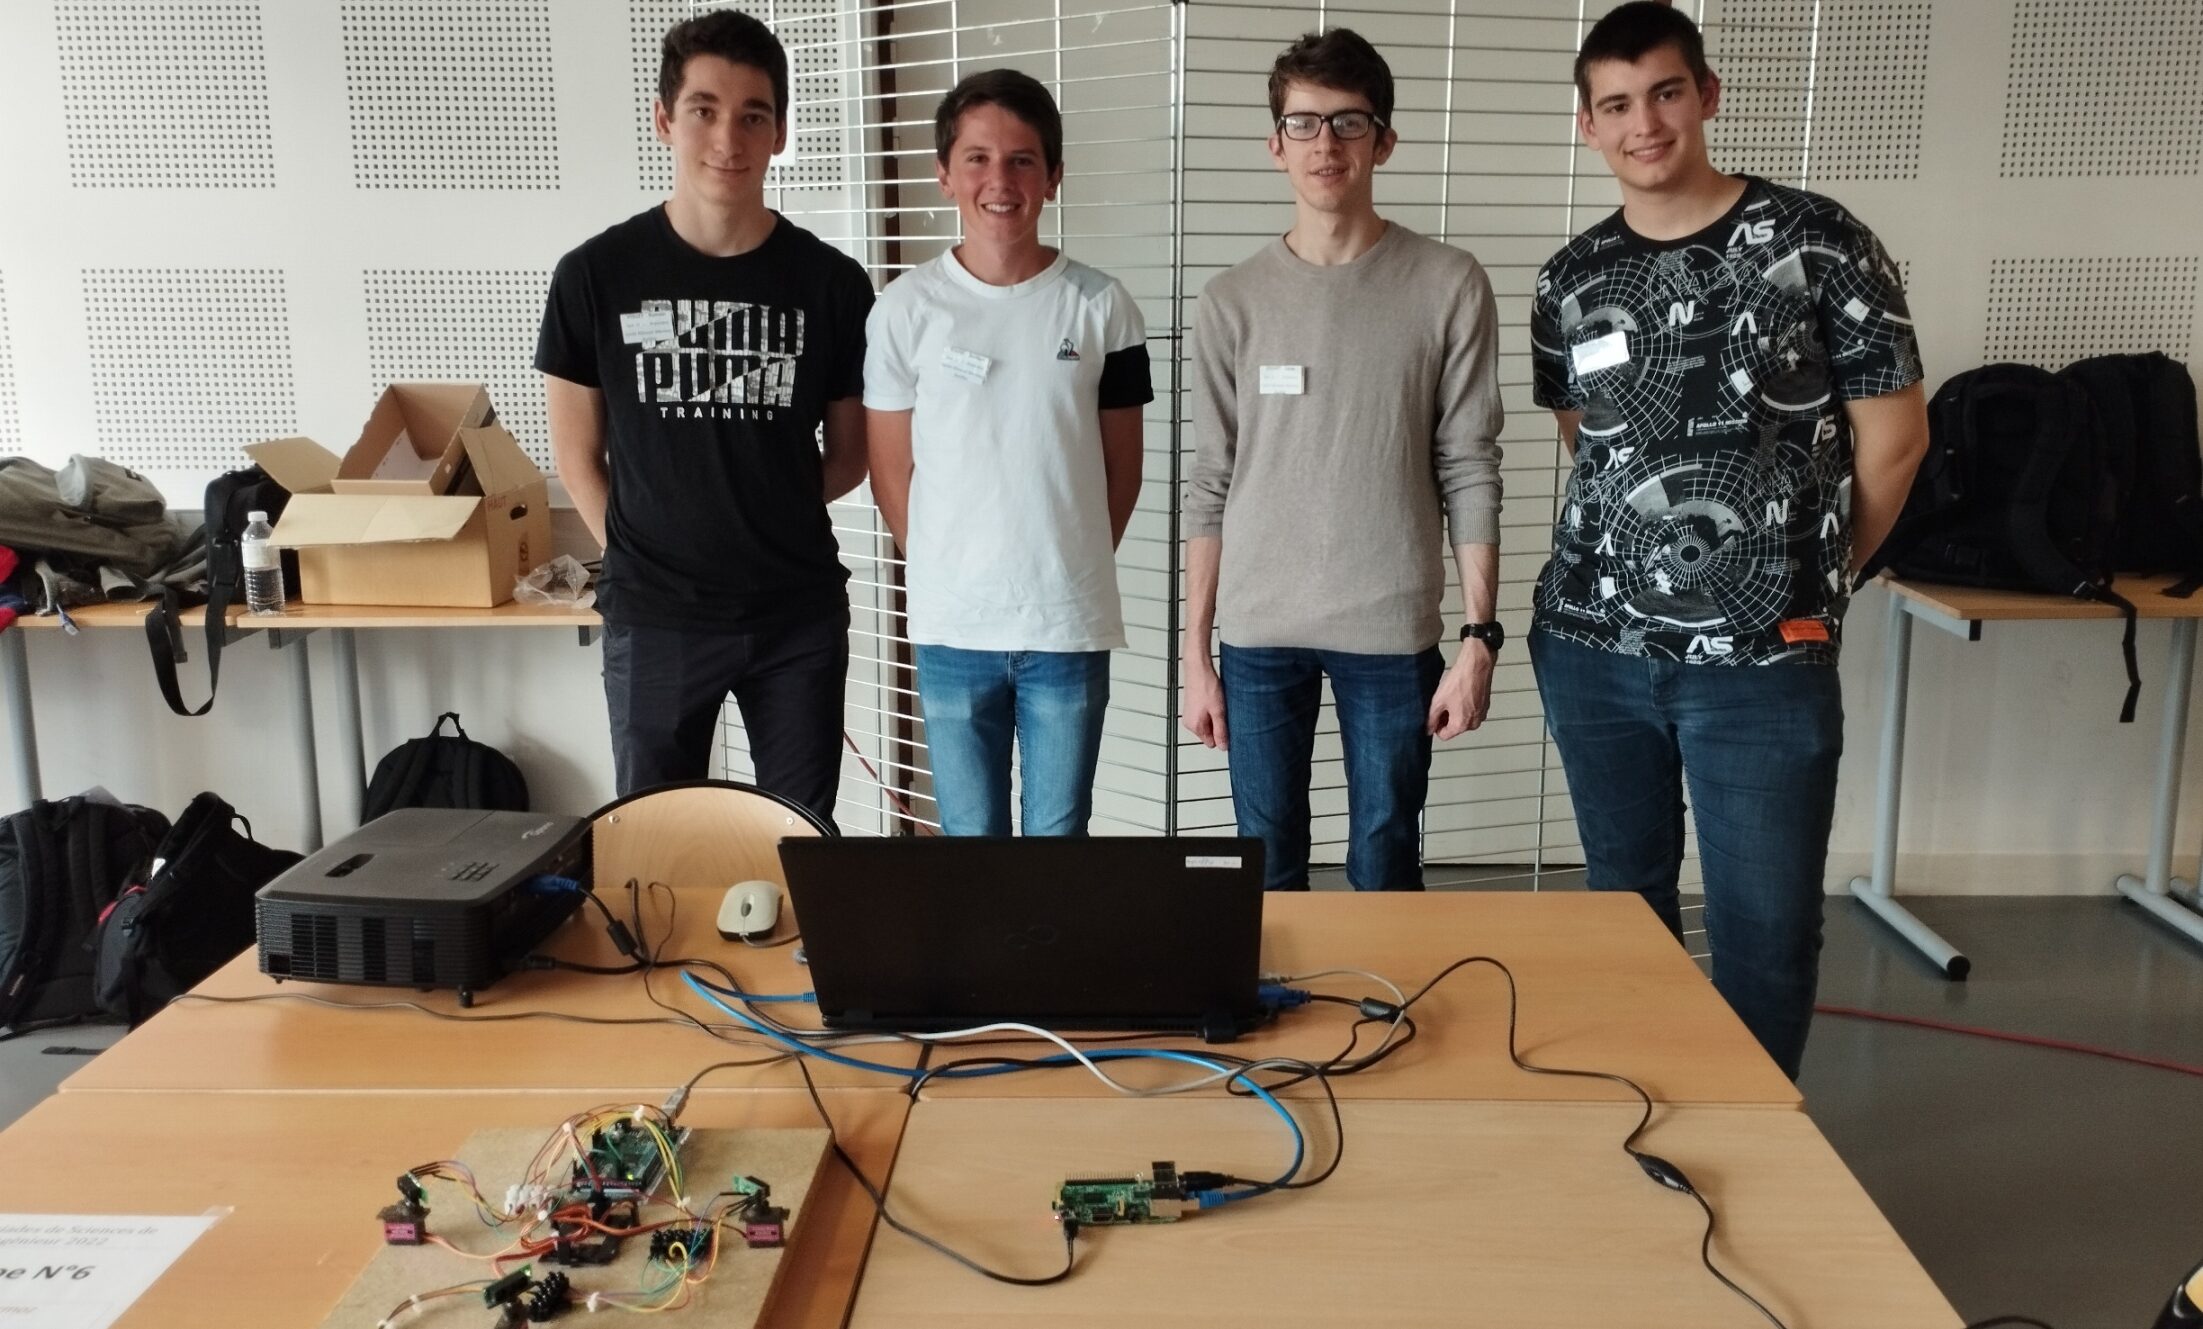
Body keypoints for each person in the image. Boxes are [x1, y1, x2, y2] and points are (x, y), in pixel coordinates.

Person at [1528, 2, 1930, 1077]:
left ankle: (1748, 1137)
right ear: (1587, 125)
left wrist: (1811, 580)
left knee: (1764, 928)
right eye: (1616, 104)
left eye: (1664, 92)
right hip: (1591, 649)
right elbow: (1591, 443)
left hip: (1764, 661)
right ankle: (1645, 1109)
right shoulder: (1569, 279)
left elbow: (1896, 443)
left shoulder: (1820, 242)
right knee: (1622, 911)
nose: (1643, 124)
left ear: (1705, 95)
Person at [1182, 29, 1505, 891]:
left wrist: (1477, 639)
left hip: (1390, 628)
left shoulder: (1447, 283)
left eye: (1348, 121)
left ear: (1383, 140)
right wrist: (1195, 656)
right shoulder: (1230, 301)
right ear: (1275, 143)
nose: (1324, 143)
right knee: (1265, 862)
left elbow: (1469, 465)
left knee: (1386, 856)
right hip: (1257, 632)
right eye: (1303, 123)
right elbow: (1210, 481)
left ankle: (1383, 984)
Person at [535, 9, 873, 826]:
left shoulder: (831, 284)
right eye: (704, 110)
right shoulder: (594, 276)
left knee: (797, 842)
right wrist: (644, 551)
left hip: (794, 615)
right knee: (655, 844)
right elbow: (577, 456)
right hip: (654, 617)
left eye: (753, 115)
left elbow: (850, 455)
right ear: (665, 120)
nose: (728, 138)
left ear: (779, 133)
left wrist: (762, 509)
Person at [865, 70, 1151, 836]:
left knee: (1058, 840)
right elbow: (890, 471)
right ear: (944, 174)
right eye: (978, 159)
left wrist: (1064, 561)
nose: (1000, 180)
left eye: (1022, 160)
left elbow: (1122, 470)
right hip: (952, 628)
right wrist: (950, 567)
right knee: (970, 846)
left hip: (1067, 625)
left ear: (1053, 176)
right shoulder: (903, 310)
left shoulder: (1103, 306)